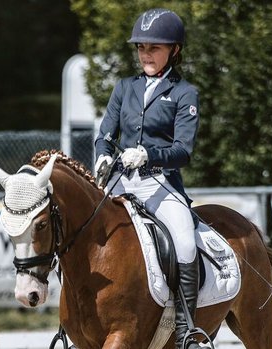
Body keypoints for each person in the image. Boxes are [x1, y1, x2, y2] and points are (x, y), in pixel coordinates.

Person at [94, 8, 201, 349]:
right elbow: (104, 135)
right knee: (78, 228)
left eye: (154, 48)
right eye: (141, 47)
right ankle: (73, 319)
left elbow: (183, 150)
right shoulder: (125, 87)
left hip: (161, 183)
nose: (146, 54)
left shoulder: (184, 93)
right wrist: (103, 155)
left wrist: (149, 155)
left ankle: (187, 332)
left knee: (185, 244)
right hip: (121, 182)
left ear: (174, 50)